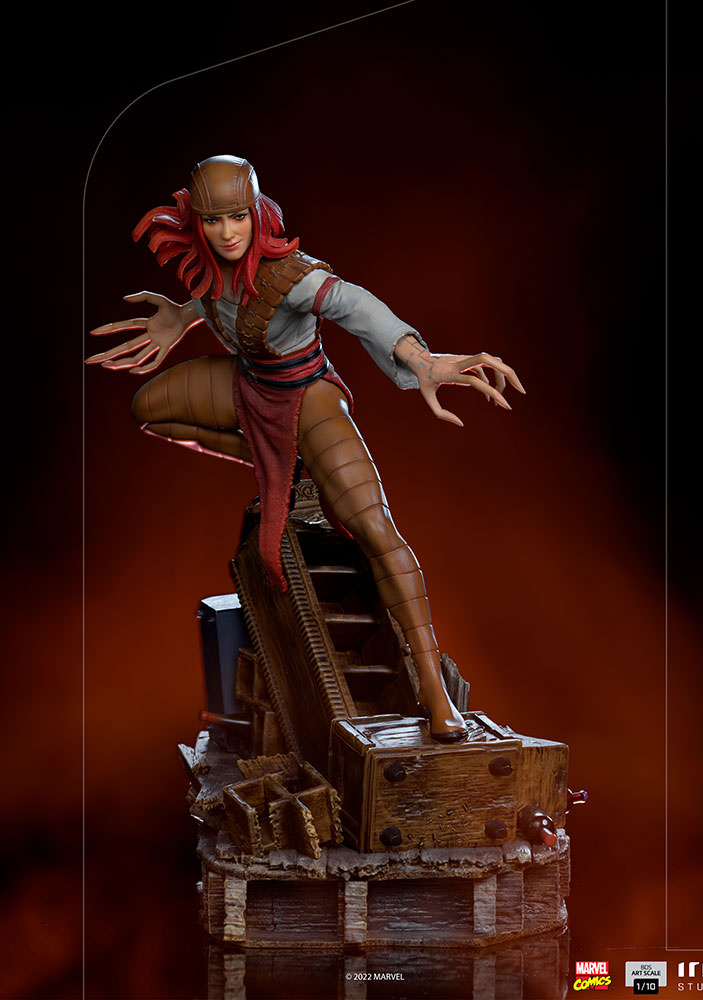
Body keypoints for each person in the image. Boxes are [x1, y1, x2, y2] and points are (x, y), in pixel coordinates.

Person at [87, 155, 524, 742]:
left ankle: (433, 689)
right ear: (197, 223)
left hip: (307, 396)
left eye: (239, 216)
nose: (228, 232)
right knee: (149, 407)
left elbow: (357, 307)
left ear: (258, 212)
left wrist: (421, 360)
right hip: (249, 387)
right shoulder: (206, 269)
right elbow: (221, 300)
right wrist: (183, 318)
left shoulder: (291, 275)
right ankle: (283, 463)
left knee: (375, 528)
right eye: (214, 220)